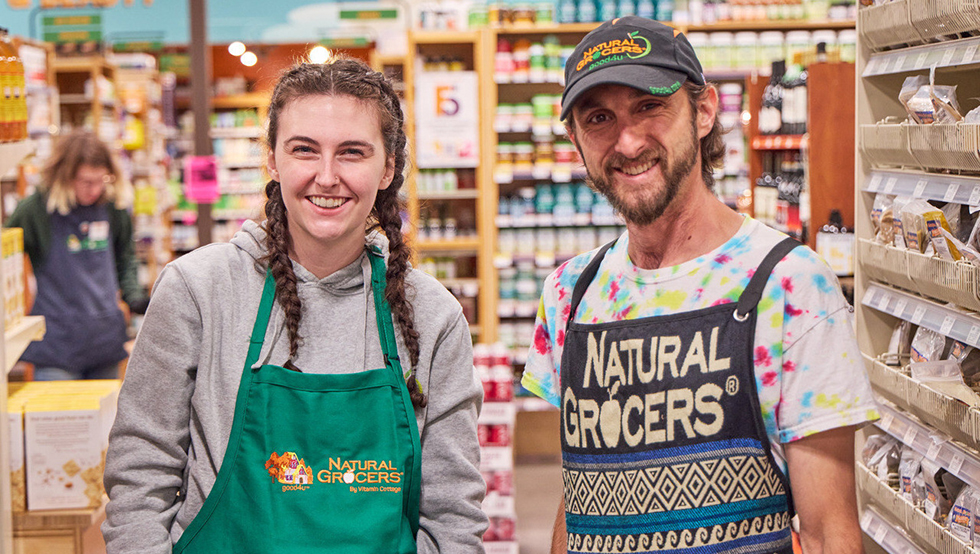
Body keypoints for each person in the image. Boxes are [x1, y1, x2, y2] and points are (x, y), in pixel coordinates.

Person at [521, 17, 878, 554]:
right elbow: (579, 500)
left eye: (650, 106)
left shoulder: (789, 284)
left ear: (705, 110)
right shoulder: (571, 293)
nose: (628, 140)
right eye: (599, 118)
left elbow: (830, 533)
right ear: (575, 139)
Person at [102, 57, 488, 553]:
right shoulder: (198, 289)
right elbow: (139, 477)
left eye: (352, 152)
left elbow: (454, 514)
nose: (327, 177)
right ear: (272, 159)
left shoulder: (432, 315)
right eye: (304, 150)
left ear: (388, 167)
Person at [4, 130, 148, 381]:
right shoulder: (37, 211)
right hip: (56, 343)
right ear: (64, 176)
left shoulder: (113, 208)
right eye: (85, 181)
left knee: (103, 418)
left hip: (103, 339)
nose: (94, 189)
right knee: (57, 419)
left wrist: (134, 296)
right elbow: (7, 253)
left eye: (100, 179)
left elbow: (125, 259)